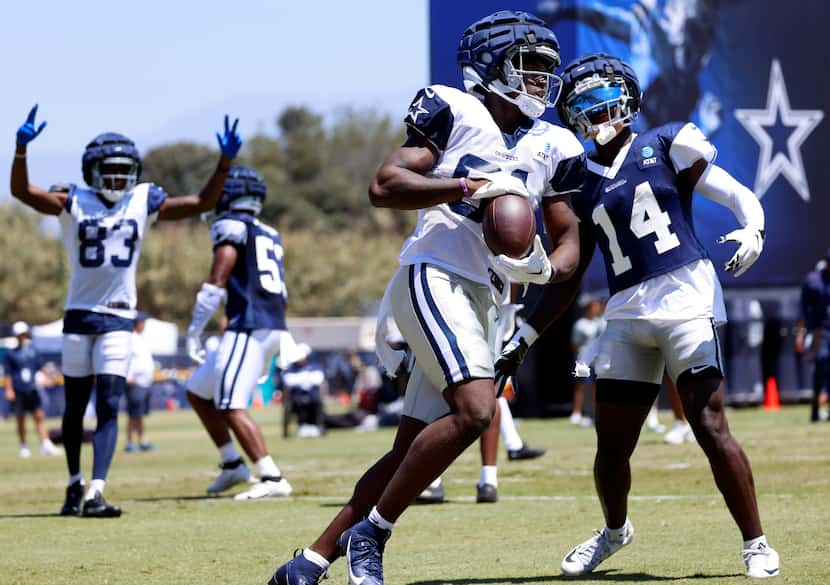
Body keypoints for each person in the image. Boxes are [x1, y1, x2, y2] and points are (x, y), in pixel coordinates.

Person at [268, 10, 585, 584]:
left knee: (410, 449)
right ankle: (372, 533)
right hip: (435, 274)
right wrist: (467, 185)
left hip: (487, 299)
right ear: (491, 65)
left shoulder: (556, 144)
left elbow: (568, 243)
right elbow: (384, 184)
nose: (541, 80)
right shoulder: (455, 108)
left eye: (547, 70)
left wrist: (543, 268)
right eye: (530, 67)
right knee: (476, 411)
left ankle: (307, 564)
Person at [495, 52, 779, 578]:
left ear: (626, 96)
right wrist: (527, 330)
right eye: (583, 103)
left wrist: (752, 227)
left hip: (687, 296)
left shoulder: (668, 140)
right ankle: (614, 532)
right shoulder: (577, 177)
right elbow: (573, 270)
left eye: (603, 97)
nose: (596, 110)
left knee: (709, 424)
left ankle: (756, 542)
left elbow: (736, 192)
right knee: (611, 445)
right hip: (626, 310)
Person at [11, 105, 242, 517]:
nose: (118, 178)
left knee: (109, 404)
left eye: (123, 170)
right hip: (79, 315)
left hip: (118, 318)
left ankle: (96, 491)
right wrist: (20, 151)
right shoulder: (73, 200)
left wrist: (224, 163)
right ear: (91, 170)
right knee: (74, 407)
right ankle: (72, 484)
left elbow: (201, 201)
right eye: (109, 170)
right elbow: (23, 194)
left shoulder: (143, 199)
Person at [185, 165, 295, 500]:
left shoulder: (230, 225)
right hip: (269, 324)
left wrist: (194, 329)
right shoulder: (268, 231)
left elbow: (218, 280)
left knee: (232, 405)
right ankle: (232, 463)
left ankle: (271, 476)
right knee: (198, 391)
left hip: (248, 328)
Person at [3, 321, 62, 458]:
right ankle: (23, 446)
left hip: (32, 389)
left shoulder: (33, 351)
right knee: (20, 419)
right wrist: (9, 390)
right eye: (19, 335)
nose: (21, 337)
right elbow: (7, 374)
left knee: (39, 416)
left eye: (23, 334)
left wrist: (49, 377)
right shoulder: (10, 354)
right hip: (19, 390)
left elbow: (40, 367)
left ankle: (45, 443)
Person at [796, 249, 830, 423]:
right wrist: (800, 334)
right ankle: (815, 410)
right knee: (822, 361)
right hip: (820, 330)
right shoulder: (814, 280)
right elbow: (802, 309)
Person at [570, 295, 605, 426]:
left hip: (597, 361)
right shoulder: (580, 324)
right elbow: (574, 343)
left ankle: (594, 413)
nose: (596, 308)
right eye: (594, 306)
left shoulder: (600, 322)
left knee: (596, 387)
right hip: (583, 361)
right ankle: (576, 413)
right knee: (581, 386)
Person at [124, 313, 157, 452]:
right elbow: (128, 358)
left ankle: (142, 440)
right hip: (135, 382)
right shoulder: (130, 339)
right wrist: (129, 376)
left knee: (139, 414)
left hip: (144, 382)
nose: (144, 325)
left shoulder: (140, 338)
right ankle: (130, 442)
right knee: (133, 414)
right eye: (142, 322)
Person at [281, 343, 326, 438]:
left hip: (313, 396)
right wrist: (307, 377)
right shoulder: (290, 368)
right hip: (296, 397)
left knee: (316, 403)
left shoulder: (315, 366)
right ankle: (302, 426)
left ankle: (318, 427)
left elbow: (318, 379)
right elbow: (289, 381)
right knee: (299, 403)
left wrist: (300, 378)